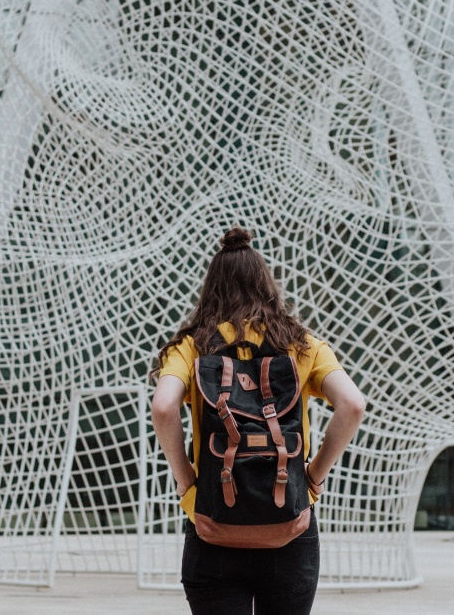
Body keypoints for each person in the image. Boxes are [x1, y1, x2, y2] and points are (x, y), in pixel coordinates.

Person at [150, 227, 366, 615]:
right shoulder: (301, 344)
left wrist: (188, 487)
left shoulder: (193, 346)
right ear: (267, 285)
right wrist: (312, 478)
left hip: (214, 526)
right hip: (289, 530)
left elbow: (164, 407)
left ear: (210, 288)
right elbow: (352, 404)